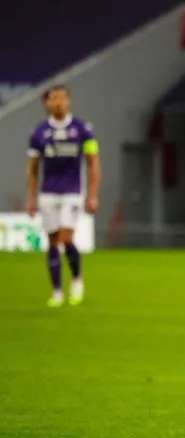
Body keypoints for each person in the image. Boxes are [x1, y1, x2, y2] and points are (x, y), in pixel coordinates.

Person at [26, 85, 100, 307]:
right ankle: (57, 291)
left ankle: (76, 279)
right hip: (48, 193)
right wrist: (31, 199)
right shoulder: (39, 133)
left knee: (66, 239)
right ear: (47, 103)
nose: (58, 102)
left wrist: (92, 195)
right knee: (51, 242)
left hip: (72, 192)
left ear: (68, 101)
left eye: (61, 98)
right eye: (53, 98)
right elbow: (32, 169)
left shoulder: (82, 130)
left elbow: (93, 163)